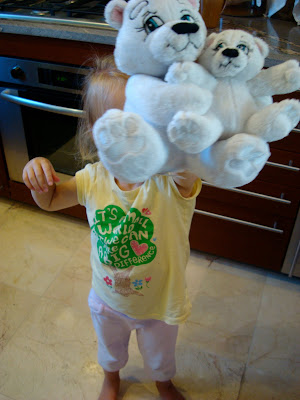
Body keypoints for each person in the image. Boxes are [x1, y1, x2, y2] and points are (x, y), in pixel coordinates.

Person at [22, 55, 201, 400]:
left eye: (143, 123)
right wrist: (38, 178)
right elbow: (51, 199)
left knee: (161, 357)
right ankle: (111, 378)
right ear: (96, 133)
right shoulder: (91, 180)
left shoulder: (171, 182)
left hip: (159, 302)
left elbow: (188, 166)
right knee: (110, 350)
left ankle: (163, 382)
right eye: (118, 126)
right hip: (107, 299)